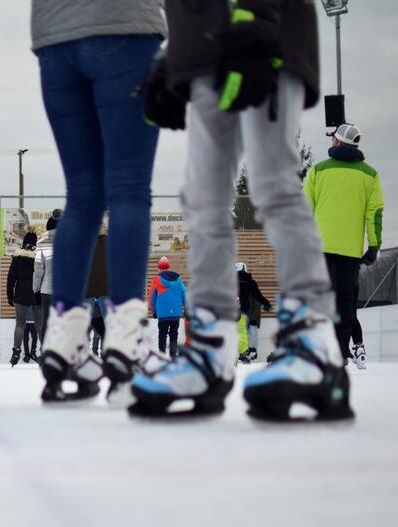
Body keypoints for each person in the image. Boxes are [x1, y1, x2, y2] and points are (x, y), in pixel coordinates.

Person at [131, 0, 352, 421]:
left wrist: (259, 16)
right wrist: (173, 59)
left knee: (275, 187)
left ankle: (315, 340)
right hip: (203, 55)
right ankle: (211, 345)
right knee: (201, 199)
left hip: (262, 33)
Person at [30, 0, 166, 404]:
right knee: (129, 187)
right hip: (123, 25)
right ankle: (127, 337)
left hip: (55, 37)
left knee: (83, 195)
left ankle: (66, 337)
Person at [305, 122, 385, 360]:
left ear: (338, 141)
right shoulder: (370, 175)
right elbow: (375, 213)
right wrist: (373, 245)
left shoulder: (318, 171)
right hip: (350, 251)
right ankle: (340, 351)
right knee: (345, 301)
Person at [7, 231, 38, 366]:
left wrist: (10, 295)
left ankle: (16, 351)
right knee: (41, 325)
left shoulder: (17, 257)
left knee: (20, 324)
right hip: (36, 293)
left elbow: (11, 278)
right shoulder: (38, 257)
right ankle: (45, 353)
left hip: (20, 293)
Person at [148, 256, 187, 358]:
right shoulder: (178, 279)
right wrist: (186, 308)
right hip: (175, 314)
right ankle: (173, 357)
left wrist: (154, 311)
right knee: (174, 335)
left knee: (162, 335)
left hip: (162, 315)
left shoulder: (156, 280)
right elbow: (185, 294)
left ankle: (161, 358)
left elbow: (152, 298)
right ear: (168, 267)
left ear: (159, 268)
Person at [31, 210, 60, 342]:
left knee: (46, 322)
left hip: (47, 289)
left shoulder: (42, 240)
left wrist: (35, 289)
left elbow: (38, 268)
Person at [235, 262, 272, 363]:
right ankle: (242, 353)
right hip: (242, 311)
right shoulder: (250, 281)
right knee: (242, 332)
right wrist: (266, 303)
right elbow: (257, 295)